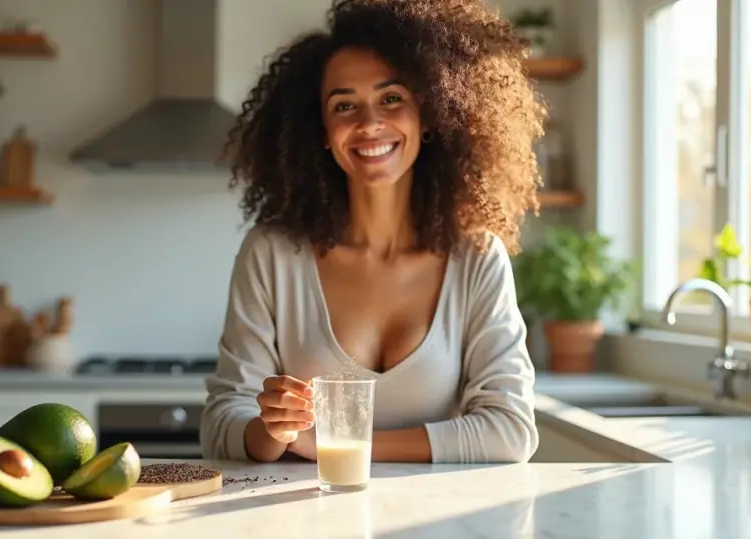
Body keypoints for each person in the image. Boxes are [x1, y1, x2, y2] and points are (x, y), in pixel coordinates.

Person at [200, 0, 546, 464]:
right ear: (321, 130)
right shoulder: (272, 254)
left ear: (429, 112)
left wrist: (337, 446)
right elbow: (221, 422)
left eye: (391, 98)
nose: (368, 124)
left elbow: (511, 431)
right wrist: (271, 430)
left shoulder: (477, 257)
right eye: (344, 105)